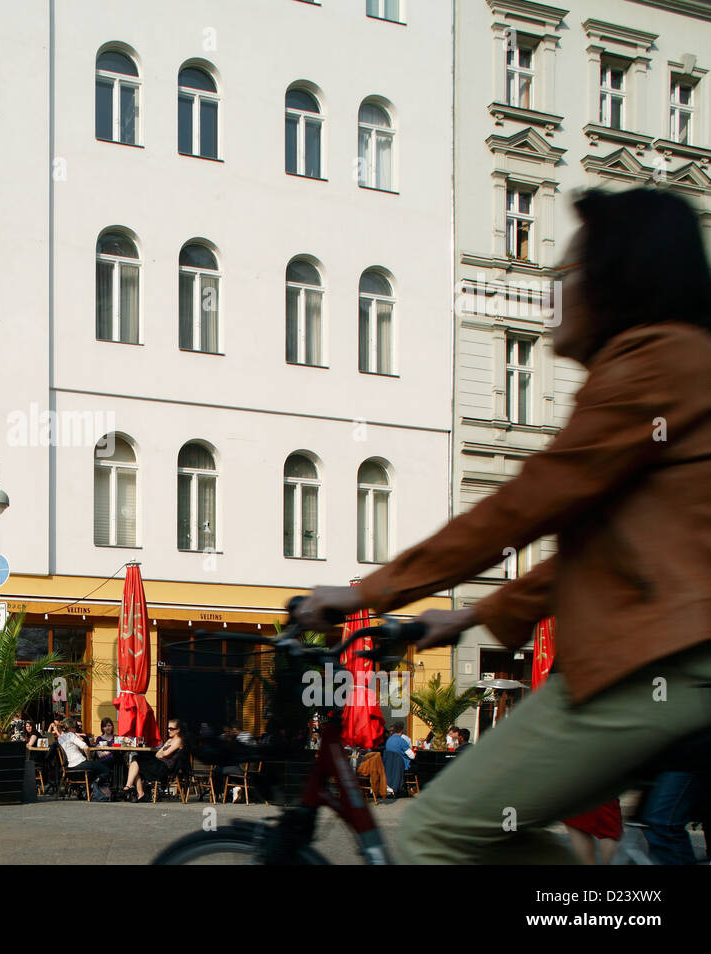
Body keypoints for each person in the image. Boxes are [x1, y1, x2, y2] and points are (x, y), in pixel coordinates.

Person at [294, 187, 711, 864]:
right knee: (491, 833)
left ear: (617, 277)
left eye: (566, 274)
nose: (553, 293)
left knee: (433, 831)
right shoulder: (667, 363)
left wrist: (369, 592)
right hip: (664, 667)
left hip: (653, 668)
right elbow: (599, 552)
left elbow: (525, 505)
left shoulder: (655, 362)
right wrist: (461, 619)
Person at [121, 719, 187, 802]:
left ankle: (134, 790)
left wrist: (163, 753)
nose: (168, 730)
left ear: (178, 730)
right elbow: (158, 754)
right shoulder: (169, 740)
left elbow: (165, 753)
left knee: (137, 760)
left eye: (171, 728)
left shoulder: (179, 740)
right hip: (160, 764)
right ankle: (133, 789)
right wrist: (162, 753)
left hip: (165, 768)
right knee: (135, 760)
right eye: (168, 728)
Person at [55, 718, 112, 800]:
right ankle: (95, 784)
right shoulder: (71, 735)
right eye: (75, 728)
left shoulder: (60, 738)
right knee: (105, 769)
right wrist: (89, 759)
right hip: (80, 763)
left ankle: (92, 788)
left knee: (96, 767)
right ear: (71, 728)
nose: (75, 730)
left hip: (70, 766)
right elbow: (86, 748)